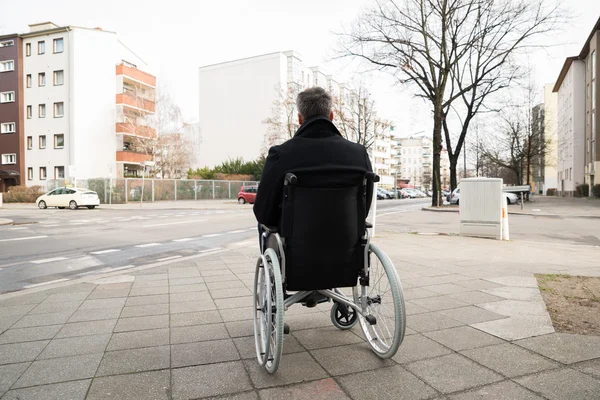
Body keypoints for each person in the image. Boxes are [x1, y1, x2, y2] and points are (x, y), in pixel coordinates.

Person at [253, 87, 374, 304]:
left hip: (297, 254)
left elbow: (263, 211)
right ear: (331, 116)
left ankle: (273, 294)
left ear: (300, 118)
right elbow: (363, 205)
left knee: (264, 228)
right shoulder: (358, 154)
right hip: (344, 249)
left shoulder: (281, 154)